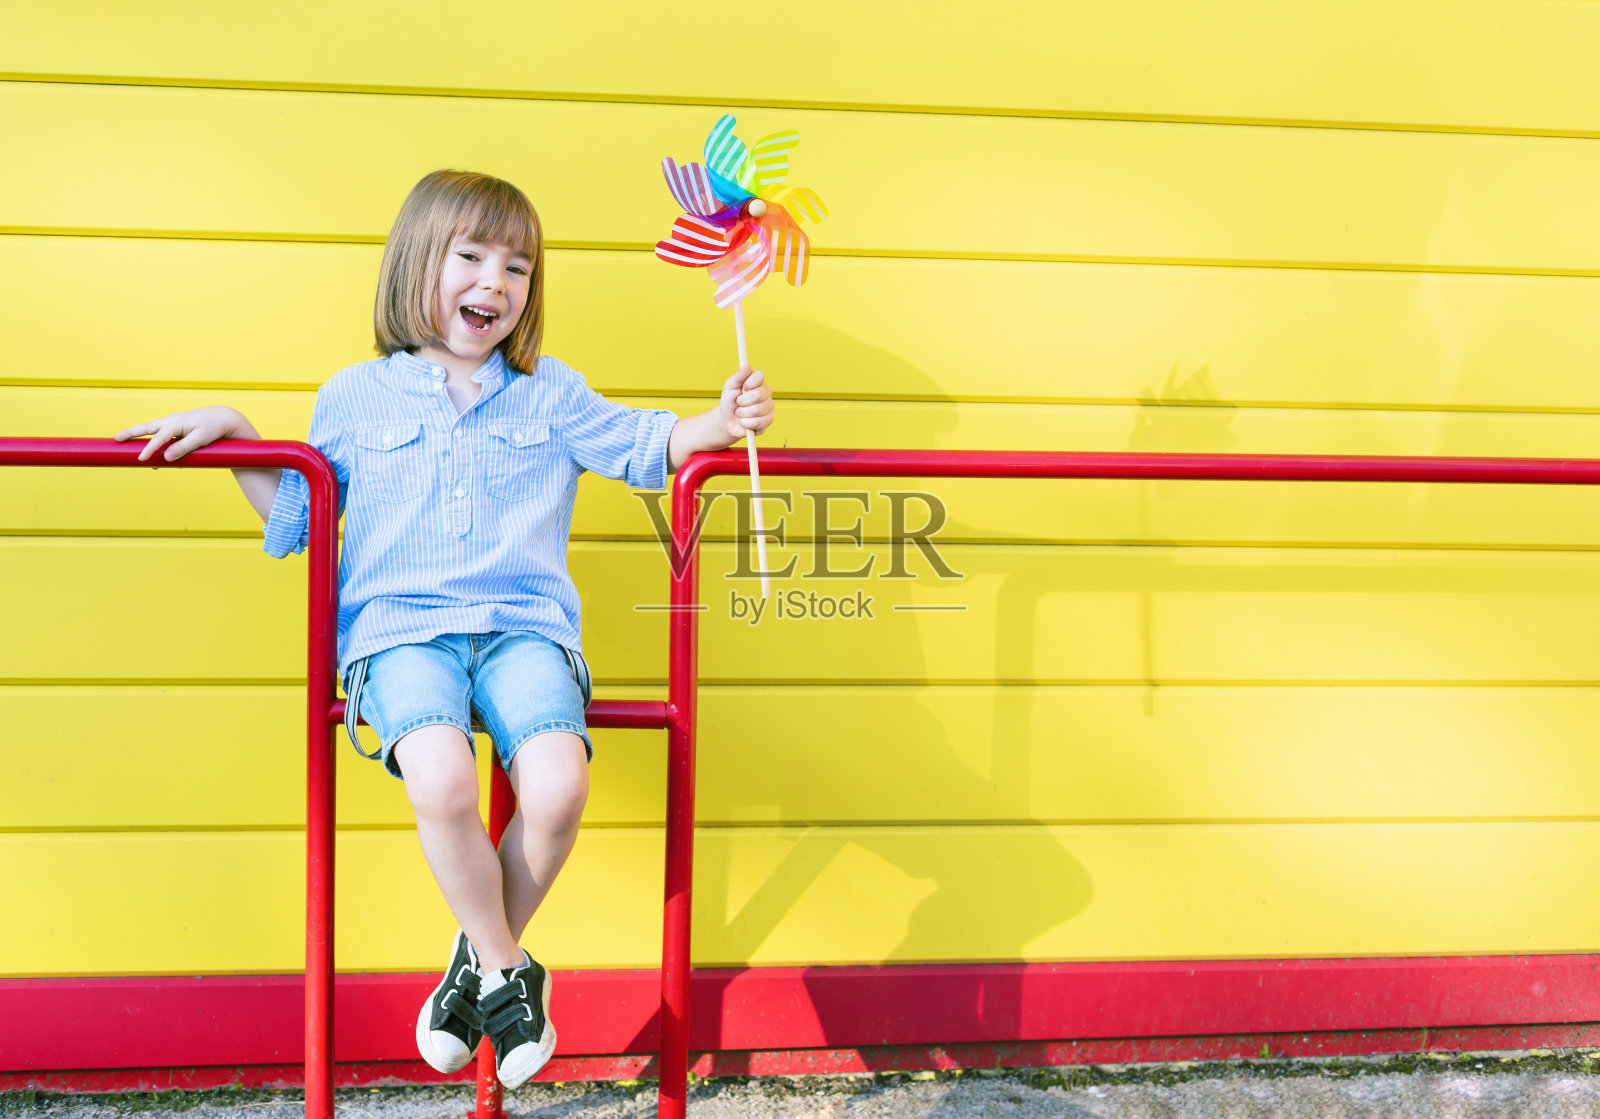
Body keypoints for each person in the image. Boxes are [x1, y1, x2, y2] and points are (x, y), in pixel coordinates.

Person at [113, 169, 774, 1089]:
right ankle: (509, 970)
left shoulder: (552, 392)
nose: (494, 284)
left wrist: (718, 420)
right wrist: (238, 433)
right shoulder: (354, 396)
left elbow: (643, 445)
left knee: (556, 785)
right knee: (442, 774)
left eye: (517, 268)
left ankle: (477, 961)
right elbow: (301, 518)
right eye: (470, 257)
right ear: (418, 262)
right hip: (402, 633)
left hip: (523, 628)